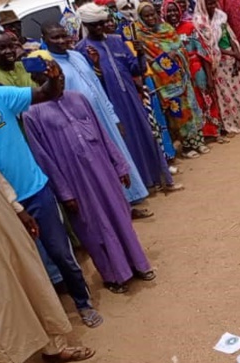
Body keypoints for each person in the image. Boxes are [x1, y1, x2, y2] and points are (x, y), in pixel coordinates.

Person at [23, 55, 155, 294]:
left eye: (60, 76)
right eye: (50, 78)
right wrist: (64, 192)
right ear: (37, 80)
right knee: (94, 227)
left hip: (103, 169)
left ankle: (139, 264)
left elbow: (103, 134)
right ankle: (115, 275)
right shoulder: (32, 114)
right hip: (74, 181)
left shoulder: (79, 99)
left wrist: (120, 165)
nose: (58, 81)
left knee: (120, 216)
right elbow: (44, 159)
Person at [0, 61, 103, 326]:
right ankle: (46, 320)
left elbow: (45, 94)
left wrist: (54, 78)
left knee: (60, 252)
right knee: (25, 265)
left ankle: (82, 303)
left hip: (34, 189)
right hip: (1, 206)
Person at [0, 164, 96, 363]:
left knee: (34, 283)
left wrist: (18, 209)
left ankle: (54, 348)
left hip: (4, 222)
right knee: (0, 309)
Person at [42, 23, 153, 217]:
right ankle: (118, 209)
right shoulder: (49, 65)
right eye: (54, 38)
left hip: (102, 115)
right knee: (101, 165)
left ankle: (129, 202)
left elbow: (96, 87)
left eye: (63, 36)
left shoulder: (76, 55)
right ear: (44, 40)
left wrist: (113, 116)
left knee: (117, 157)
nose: (61, 41)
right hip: (81, 123)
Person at [76, 3, 177, 191]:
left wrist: (139, 53)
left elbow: (135, 69)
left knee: (147, 135)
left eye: (101, 23)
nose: (99, 28)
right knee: (125, 143)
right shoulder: (81, 50)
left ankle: (159, 178)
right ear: (86, 26)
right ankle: (140, 185)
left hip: (131, 97)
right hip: (110, 103)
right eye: (94, 25)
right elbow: (90, 82)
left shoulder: (116, 40)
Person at [137, 1, 211, 157]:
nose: (151, 18)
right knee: (178, 113)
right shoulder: (141, 37)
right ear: (141, 18)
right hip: (165, 83)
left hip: (182, 76)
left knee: (191, 108)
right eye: (147, 16)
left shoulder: (167, 29)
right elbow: (146, 60)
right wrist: (163, 59)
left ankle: (198, 142)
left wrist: (175, 54)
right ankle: (187, 147)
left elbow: (181, 48)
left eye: (153, 14)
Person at [165, 0, 226, 141]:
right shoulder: (164, 33)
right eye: (169, 10)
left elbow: (202, 51)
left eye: (175, 10)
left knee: (206, 98)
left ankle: (213, 131)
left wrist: (209, 76)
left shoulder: (190, 27)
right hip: (178, 74)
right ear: (164, 12)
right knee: (190, 103)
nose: (173, 13)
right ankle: (197, 135)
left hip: (196, 68)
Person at [194, 0, 240, 133]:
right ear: (202, 5)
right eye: (208, 4)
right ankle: (232, 124)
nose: (212, 6)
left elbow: (230, 36)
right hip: (218, 63)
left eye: (213, 3)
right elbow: (209, 46)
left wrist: (237, 53)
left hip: (231, 59)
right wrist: (231, 53)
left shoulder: (221, 17)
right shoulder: (200, 23)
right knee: (226, 94)